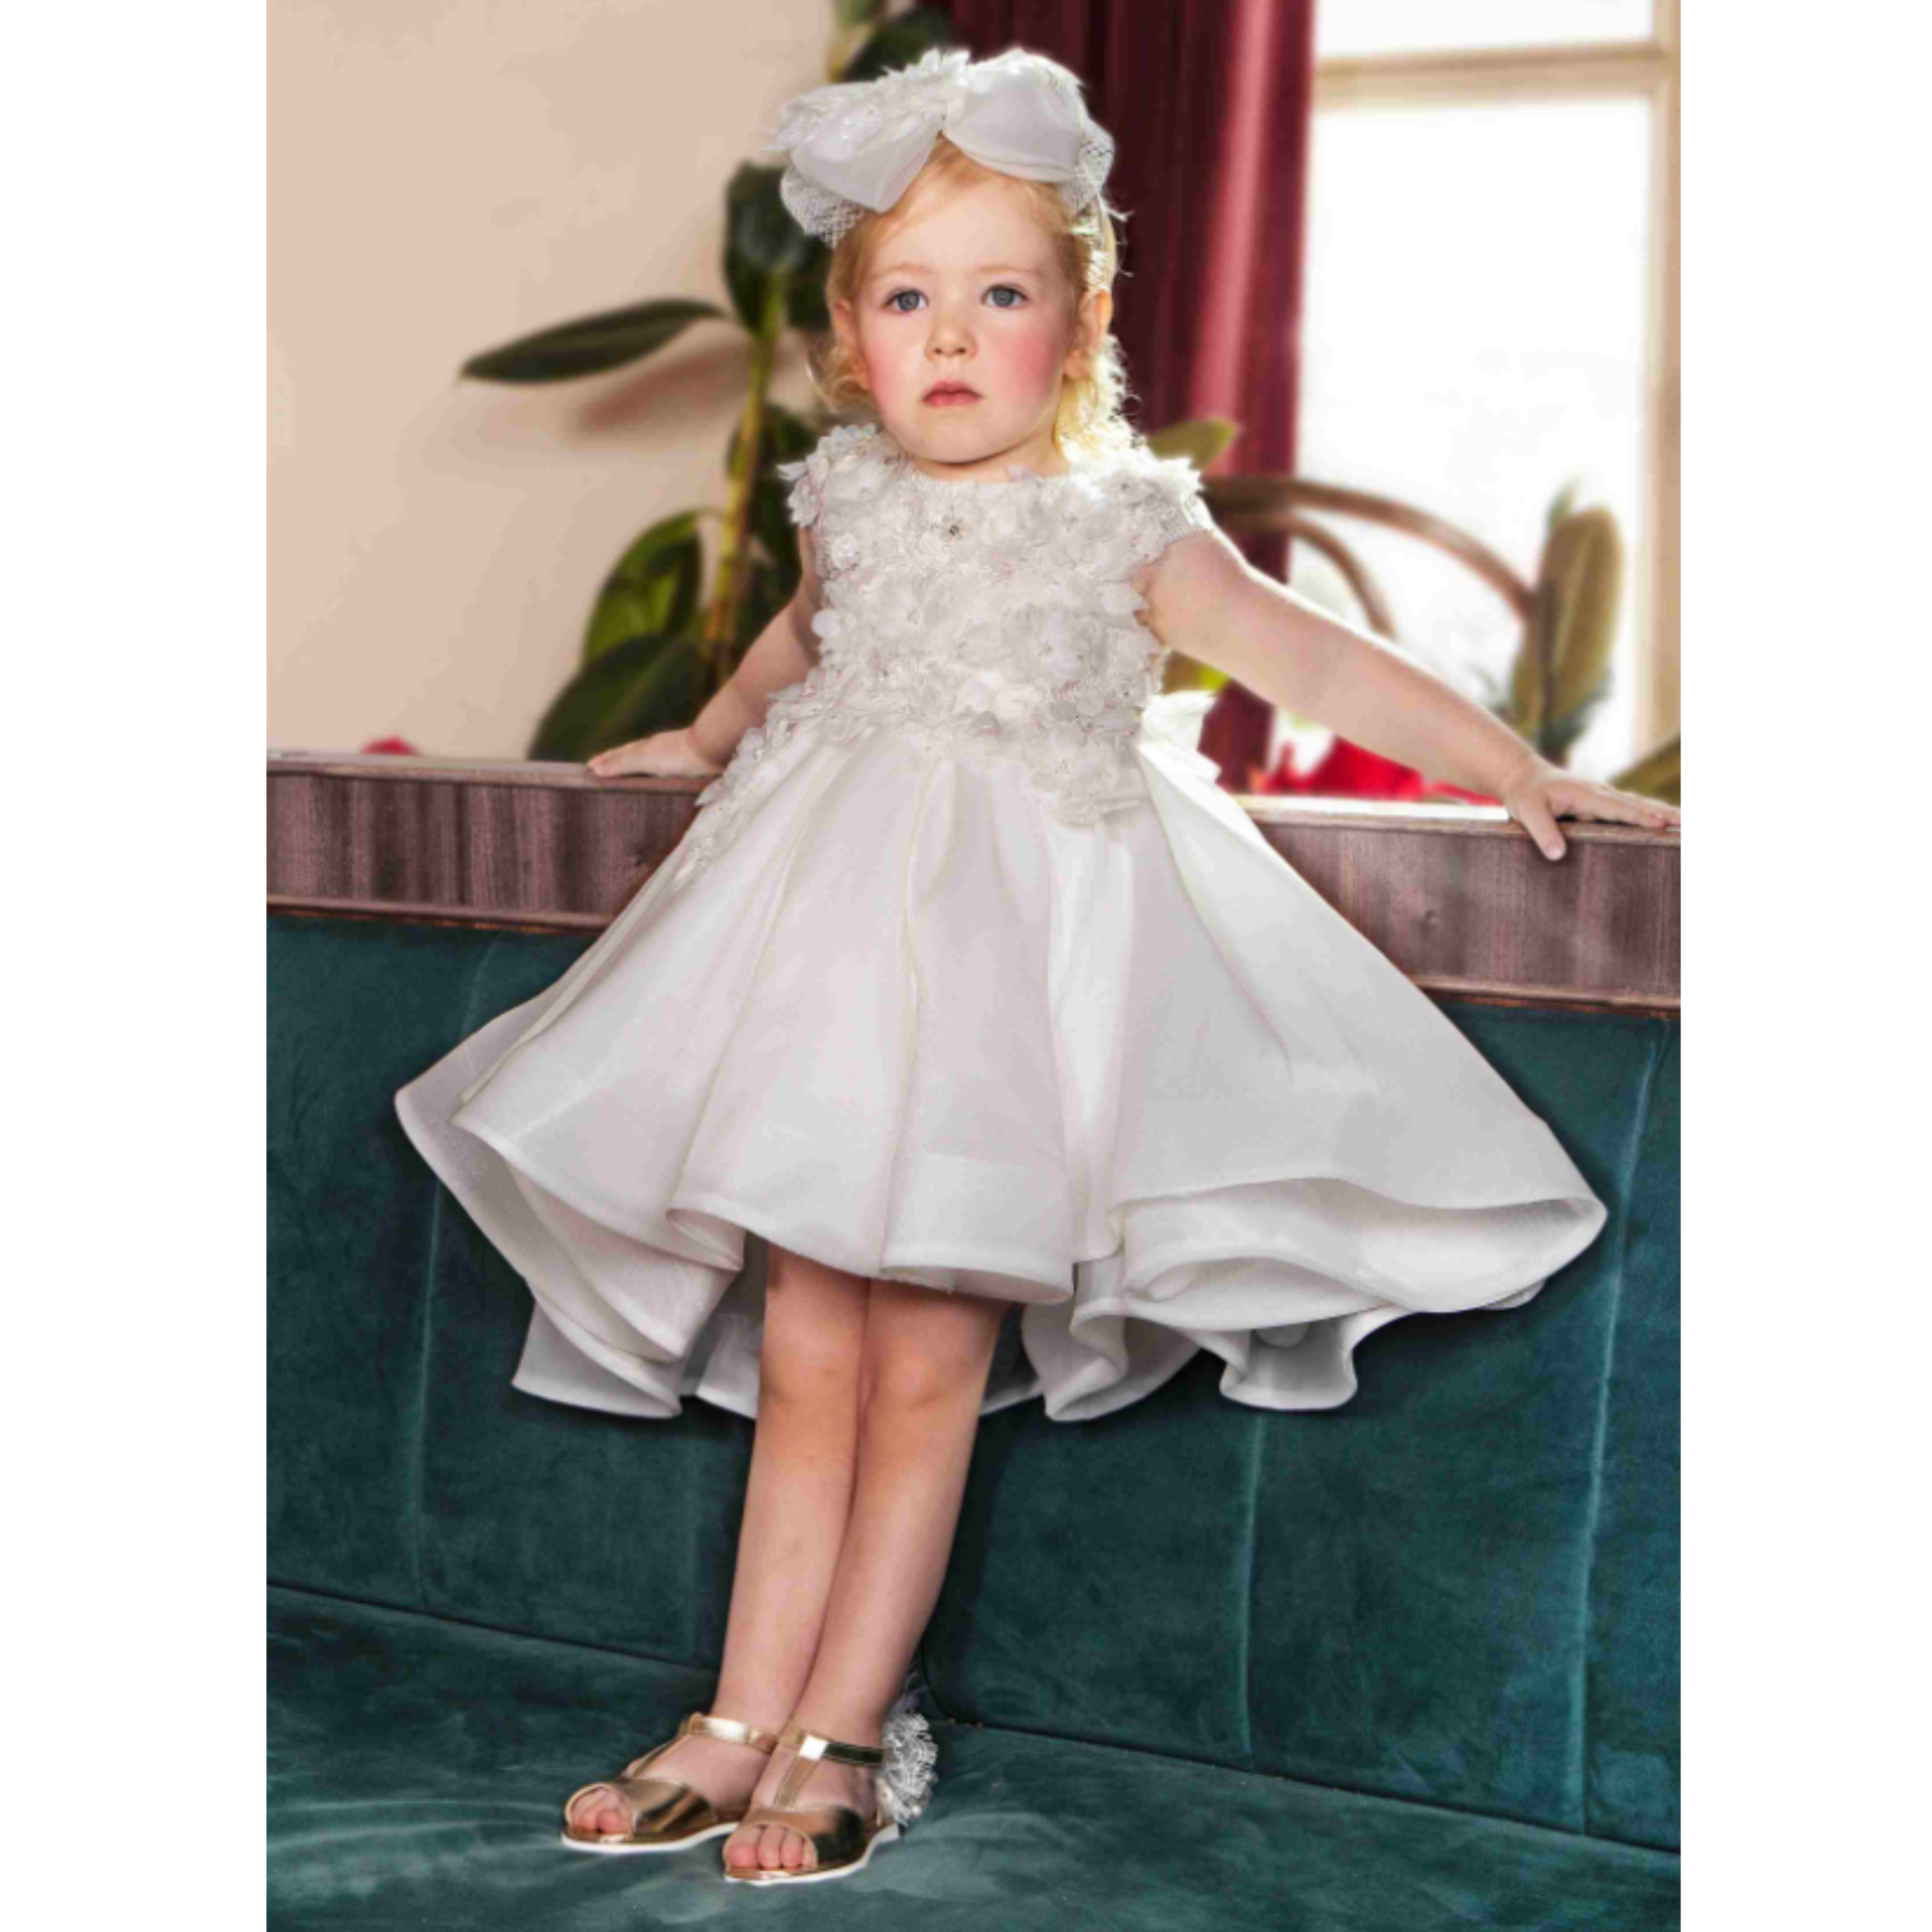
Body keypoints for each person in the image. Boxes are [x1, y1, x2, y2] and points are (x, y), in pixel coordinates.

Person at [393, 45, 1681, 1888]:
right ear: (849, 342)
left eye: (999, 296)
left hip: (1013, 995)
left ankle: (845, 1729)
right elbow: (795, 646)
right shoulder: (843, 495)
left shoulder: (1125, 521)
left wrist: (1510, 766)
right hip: (825, 976)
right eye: (906, 299)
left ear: (1078, 327)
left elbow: (1312, 654)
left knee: (921, 1362)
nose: (949, 335)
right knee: (808, 1349)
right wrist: (700, 737)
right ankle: (740, 1711)